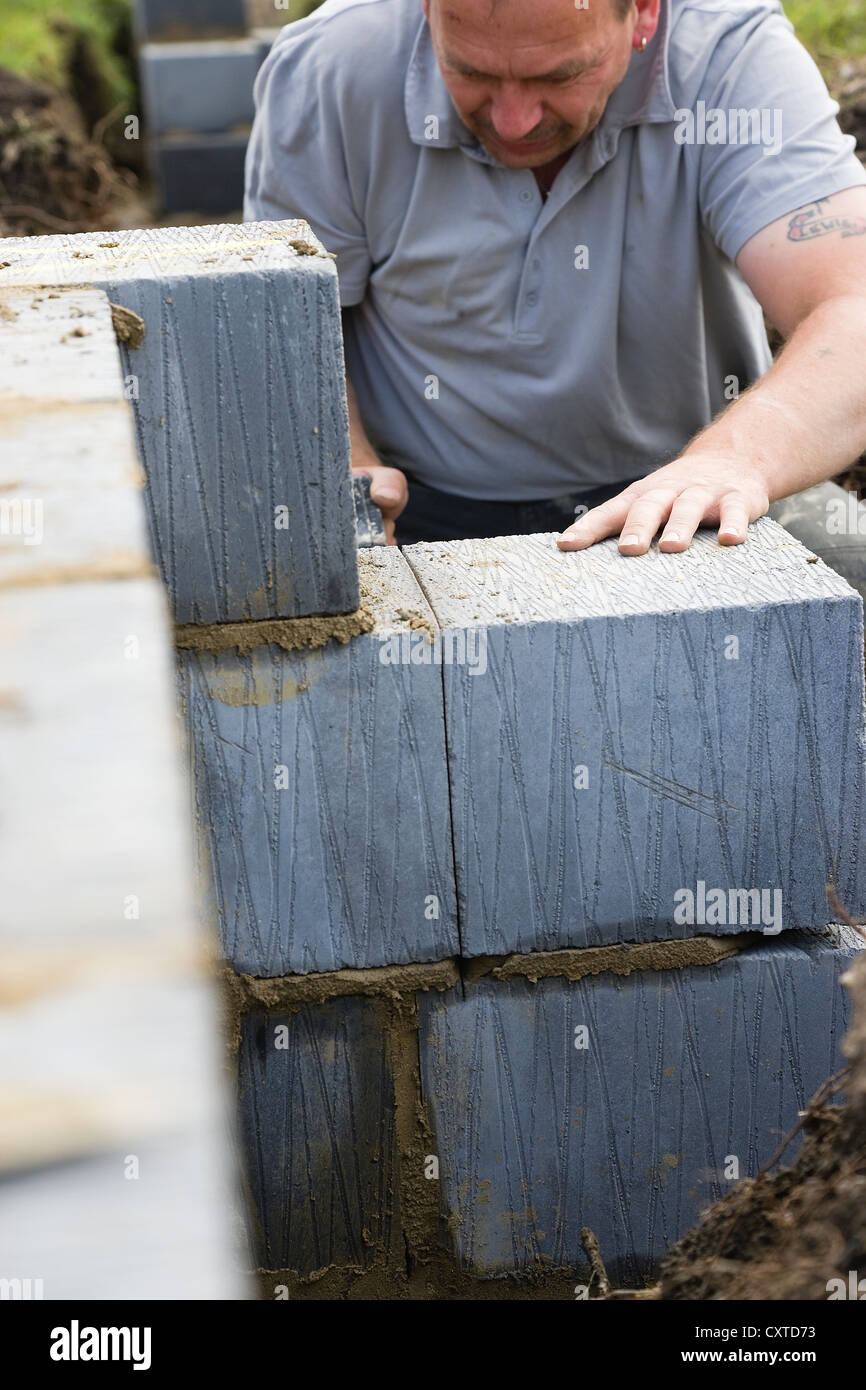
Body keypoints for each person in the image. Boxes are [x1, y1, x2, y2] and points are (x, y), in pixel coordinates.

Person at [245, 0, 866, 552]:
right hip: (419, 506)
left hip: (691, 496)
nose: (514, 120)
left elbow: (852, 304)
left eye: (559, 75)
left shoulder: (729, 59)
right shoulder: (331, 68)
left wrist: (734, 461)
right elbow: (281, 324)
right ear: (427, 12)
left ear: (645, 14)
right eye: (472, 72)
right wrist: (345, 462)